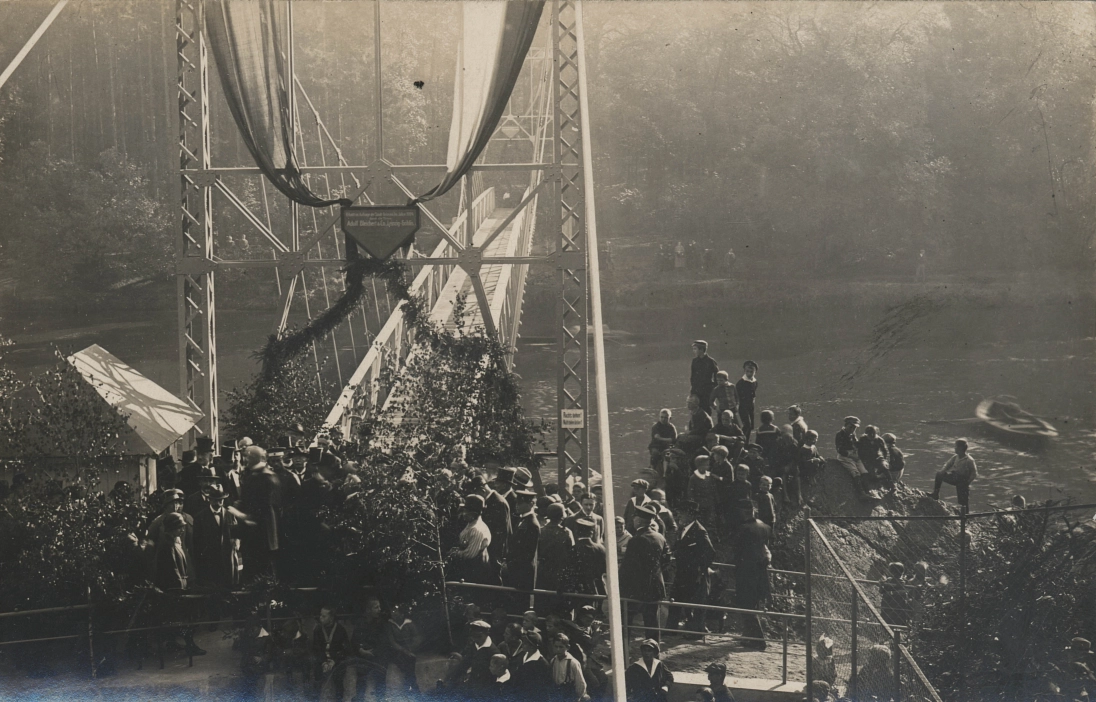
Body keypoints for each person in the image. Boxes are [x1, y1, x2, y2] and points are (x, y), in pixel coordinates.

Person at [150, 512, 205, 657]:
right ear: (173, 528)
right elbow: (173, 571)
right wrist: (182, 590)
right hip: (174, 592)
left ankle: (173, 643)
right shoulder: (167, 545)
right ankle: (189, 645)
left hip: (179, 589)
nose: (182, 530)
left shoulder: (174, 541)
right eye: (180, 527)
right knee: (189, 617)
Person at [620, 503, 672, 641]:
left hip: (636, 588)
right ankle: (654, 650)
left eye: (635, 517)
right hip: (654, 586)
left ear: (638, 520)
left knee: (627, 620)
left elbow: (628, 568)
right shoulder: (659, 537)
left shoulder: (636, 539)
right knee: (651, 621)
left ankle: (623, 651)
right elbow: (667, 559)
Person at [669, 500, 714, 634]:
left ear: (690, 515)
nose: (678, 517)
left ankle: (694, 632)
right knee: (676, 600)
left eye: (681, 514)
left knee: (693, 604)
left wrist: (700, 568)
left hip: (693, 574)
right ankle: (671, 629)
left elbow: (710, 553)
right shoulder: (683, 529)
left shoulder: (699, 531)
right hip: (682, 572)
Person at [240, 446, 281, 581]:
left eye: (249, 457)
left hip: (262, 532)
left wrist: (245, 515)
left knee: (263, 573)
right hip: (256, 532)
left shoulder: (265, 477)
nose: (246, 459)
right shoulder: (255, 475)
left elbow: (265, 506)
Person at [191, 482, 240, 590]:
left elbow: (236, 535)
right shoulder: (200, 517)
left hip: (227, 563)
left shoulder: (230, 515)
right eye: (215, 499)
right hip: (209, 564)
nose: (218, 502)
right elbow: (196, 544)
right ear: (209, 499)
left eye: (220, 500)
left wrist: (236, 543)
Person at [734, 512, 772, 650]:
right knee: (753, 606)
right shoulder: (766, 528)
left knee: (747, 607)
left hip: (746, 573)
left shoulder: (743, 529)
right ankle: (749, 637)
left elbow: (737, 552)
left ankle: (759, 640)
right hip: (760, 573)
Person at [341, 596, 388, 702]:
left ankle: (380, 699)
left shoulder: (381, 623)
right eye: (376, 607)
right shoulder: (360, 623)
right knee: (361, 676)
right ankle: (359, 698)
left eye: (379, 607)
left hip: (377, 656)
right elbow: (354, 640)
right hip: (363, 655)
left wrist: (373, 652)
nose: (379, 609)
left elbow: (384, 642)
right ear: (368, 610)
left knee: (381, 676)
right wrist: (360, 650)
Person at [450, 494, 498, 585]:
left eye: (466, 511)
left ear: (474, 513)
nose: (463, 514)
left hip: (475, 574)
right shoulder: (470, 524)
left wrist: (454, 553)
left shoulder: (477, 530)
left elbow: (470, 554)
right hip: (469, 571)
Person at [506, 487, 540, 606]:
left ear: (531, 504)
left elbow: (528, 554)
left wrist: (511, 563)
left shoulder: (532, 524)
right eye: (517, 502)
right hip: (516, 571)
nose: (517, 506)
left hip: (522, 573)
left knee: (520, 604)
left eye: (520, 503)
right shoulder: (523, 520)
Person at [537, 503, 576, 597]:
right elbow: (572, 552)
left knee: (543, 598)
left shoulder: (541, 531)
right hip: (560, 572)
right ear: (562, 516)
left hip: (543, 570)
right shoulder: (566, 532)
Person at [313, 605, 351, 699]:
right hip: (322, 660)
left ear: (331, 618)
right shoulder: (317, 630)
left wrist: (334, 661)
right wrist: (323, 662)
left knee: (339, 680)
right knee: (317, 680)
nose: (320, 618)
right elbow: (316, 649)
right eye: (320, 615)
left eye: (324, 616)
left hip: (336, 660)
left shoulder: (341, 630)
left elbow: (345, 650)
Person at [385, 602, 422, 695]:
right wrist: (404, 650)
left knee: (410, 659)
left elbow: (417, 638)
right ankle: (414, 686)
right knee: (408, 659)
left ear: (402, 614)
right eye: (392, 612)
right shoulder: (390, 625)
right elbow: (392, 642)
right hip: (396, 650)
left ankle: (409, 686)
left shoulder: (409, 624)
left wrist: (410, 648)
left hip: (409, 650)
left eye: (396, 611)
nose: (393, 614)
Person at [932, 439, 977, 512]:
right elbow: (948, 465)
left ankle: (965, 517)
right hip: (954, 476)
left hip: (963, 480)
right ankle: (935, 494)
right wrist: (942, 472)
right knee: (939, 475)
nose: (954, 448)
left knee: (963, 501)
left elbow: (974, 473)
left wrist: (967, 482)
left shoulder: (969, 460)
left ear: (961, 448)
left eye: (956, 447)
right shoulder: (955, 457)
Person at [548, 632, 587, 701]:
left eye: (561, 647)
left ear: (567, 647)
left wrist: (577, 698)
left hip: (569, 696)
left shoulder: (573, 663)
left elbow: (580, 684)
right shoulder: (553, 661)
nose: (558, 649)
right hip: (556, 695)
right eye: (556, 646)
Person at [511, 630, 551, 697]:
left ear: (532, 646)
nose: (522, 645)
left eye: (525, 643)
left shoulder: (542, 664)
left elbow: (542, 689)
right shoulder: (522, 656)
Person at [690, 341, 720, 411]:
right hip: (696, 392)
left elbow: (717, 377)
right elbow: (692, 377)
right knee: (696, 411)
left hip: (707, 392)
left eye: (695, 349)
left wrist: (713, 389)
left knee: (706, 410)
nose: (693, 351)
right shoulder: (694, 361)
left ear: (701, 350)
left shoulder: (711, 362)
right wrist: (692, 392)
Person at [688, 456, 717, 527]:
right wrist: (692, 501)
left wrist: (715, 498)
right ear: (699, 466)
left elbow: (713, 487)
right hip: (699, 501)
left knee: (708, 518)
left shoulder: (709, 475)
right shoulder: (694, 477)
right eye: (706, 465)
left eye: (708, 464)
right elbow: (690, 490)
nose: (708, 466)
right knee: (699, 518)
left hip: (709, 501)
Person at [648, 409, 679, 476]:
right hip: (656, 446)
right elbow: (657, 437)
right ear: (659, 417)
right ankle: (652, 469)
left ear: (669, 418)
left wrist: (662, 439)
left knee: (667, 454)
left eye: (665, 418)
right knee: (654, 453)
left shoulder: (671, 427)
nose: (663, 419)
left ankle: (665, 473)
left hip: (667, 446)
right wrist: (668, 439)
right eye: (661, 417)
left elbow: (674, 439)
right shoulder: (655, 426)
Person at [880, 562, 910, 627]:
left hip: (896, 606)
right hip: (888, 606)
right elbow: (881, 591)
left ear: (893, 572)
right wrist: (881, 584)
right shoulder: (888, 581)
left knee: (895, 622)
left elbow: (905, 592)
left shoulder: (903, 583)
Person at [735, 362, 759, 441]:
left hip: (750, 406)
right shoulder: (741, 383)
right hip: (742, 406)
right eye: (747, 371)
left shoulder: (755, 382)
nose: (749, 373)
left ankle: (746, 442)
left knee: (751, 426)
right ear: (744, 371)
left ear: (755, 372)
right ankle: (742, 441)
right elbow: (736, 396)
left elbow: (753, 394)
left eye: (751, 372)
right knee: (747, 425)